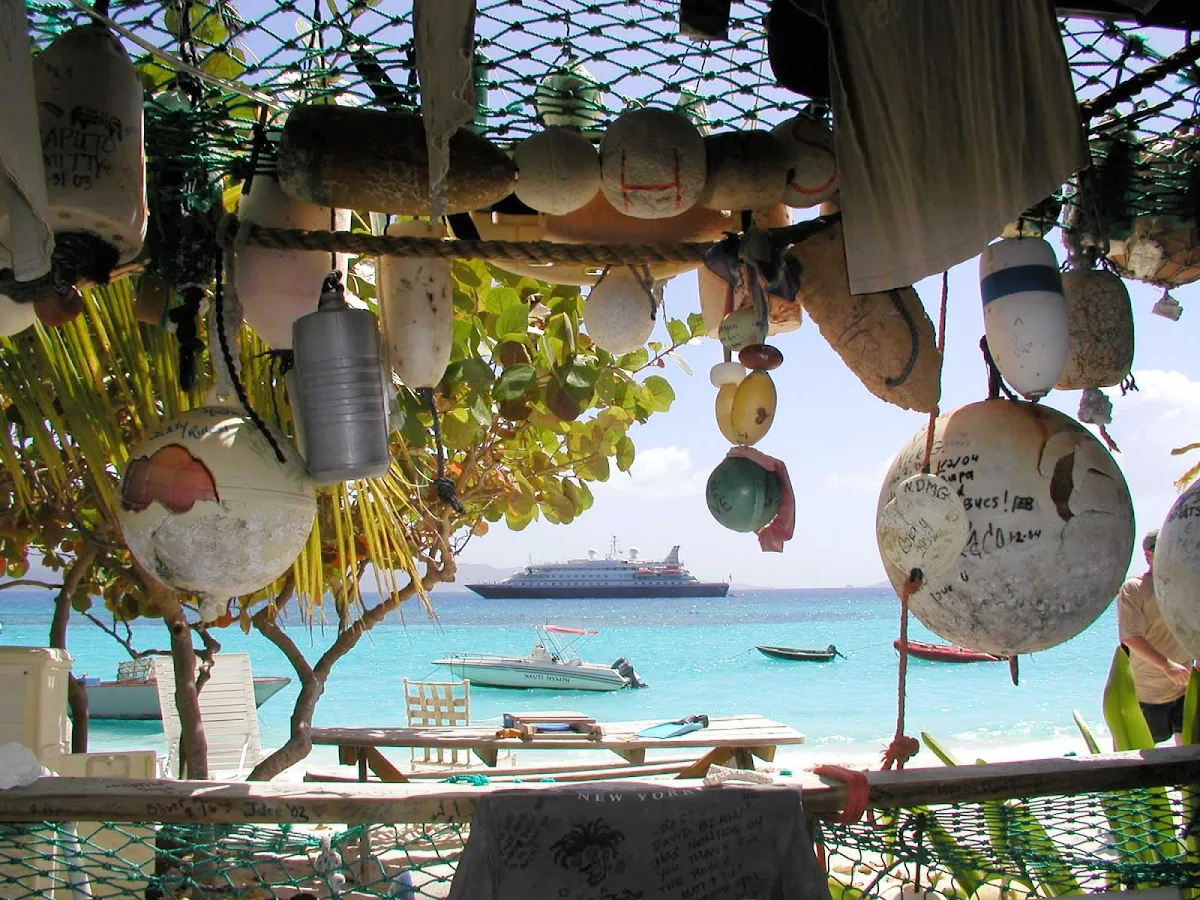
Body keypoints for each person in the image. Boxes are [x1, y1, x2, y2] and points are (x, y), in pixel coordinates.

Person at [1116, 529, 1196, 745]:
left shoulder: (1185, 585)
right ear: (1149, 555)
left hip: (1186, 686)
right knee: (1143, 760)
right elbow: (1130, 637)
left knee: (1188, 756)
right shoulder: (1134, 589)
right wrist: (1167, 666)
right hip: (1149, 691)